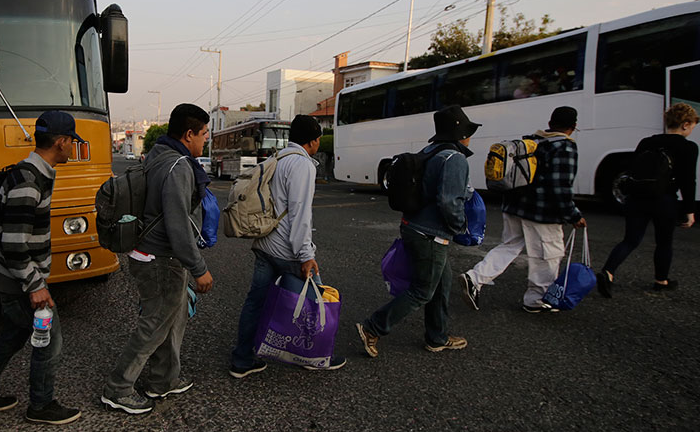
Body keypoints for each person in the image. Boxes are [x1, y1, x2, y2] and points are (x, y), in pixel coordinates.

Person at [0, 111, 83, 425]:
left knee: (13, 335)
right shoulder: (28, 182)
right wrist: (36, 286)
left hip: (15, 279)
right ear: (61, 142)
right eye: (71, 142)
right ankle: (41, 406)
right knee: (50, 339)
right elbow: (15, 245)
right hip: (20, 282)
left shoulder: (34, 174)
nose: (72, 148)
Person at [101, 104, 213, 415]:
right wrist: (199, 269)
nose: (205, 140)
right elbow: (178, 223)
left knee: (171, 319)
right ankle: (118, 388)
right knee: (154, 323)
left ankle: (163, 380)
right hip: (161, 258)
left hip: (147, 251)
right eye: (203, 134)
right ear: (189, 134)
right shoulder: (178, 165)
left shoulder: (157, 155)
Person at [356, 105, 480, 357]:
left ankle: (437, 336)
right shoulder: (454, 158)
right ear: (460, 134)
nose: (469, 137)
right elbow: (449, 201)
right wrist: (458, 227)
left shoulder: (431, 151)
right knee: (422, 290)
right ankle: (373, 327)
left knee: (442, 284)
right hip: (431, 234)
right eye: (468, 132)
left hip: (414, 226)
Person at [229, 115, 345, 378]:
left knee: (255, 302)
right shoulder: (303, 165)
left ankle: (242, 360)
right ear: (314, 141)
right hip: (287, 250)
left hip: (265, 243)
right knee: (315, 302)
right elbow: (300, 213)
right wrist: (306, 254)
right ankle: (314, 355)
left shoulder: (276, 158)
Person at [458, 106, 587, 313]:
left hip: (514, 206)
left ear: (550, 123)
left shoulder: (532, 141)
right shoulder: (565, 147)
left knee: (509, 246)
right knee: (547, 256)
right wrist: (573, 215)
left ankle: (475, 277)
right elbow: (560, 187)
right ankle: (535, 300)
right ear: (573, 127)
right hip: (541, 213)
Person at [597, 103, 699, 296]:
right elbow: (688, 180)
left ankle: (608, 272)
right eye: (693, 125)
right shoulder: (688, 147)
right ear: (685, 124)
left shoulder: (646, 142)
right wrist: (689, 210)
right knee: (664, 242)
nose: (692, 129)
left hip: (637, 198)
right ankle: (661, 280)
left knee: (630, 240)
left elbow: (633, 169)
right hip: (664, 199)